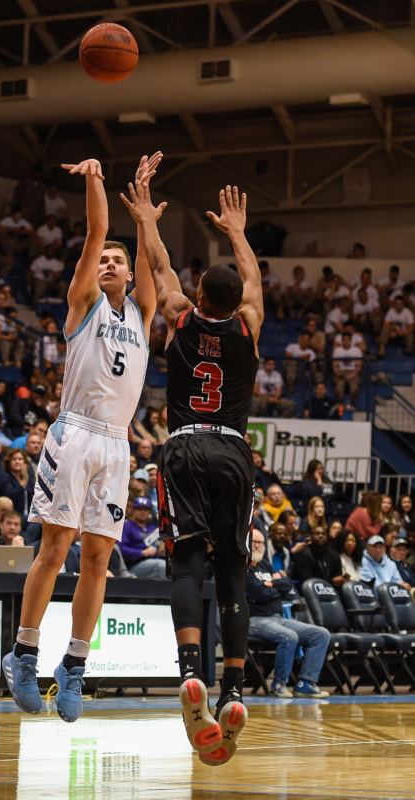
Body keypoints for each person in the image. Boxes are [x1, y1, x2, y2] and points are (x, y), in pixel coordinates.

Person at [2, 154, 161, 724]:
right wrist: (97, 180)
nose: (112, 263)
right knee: (56, 548)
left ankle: (74, 664)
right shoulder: (83, 304)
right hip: (75, 433)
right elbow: (97, 230)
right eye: (106, 261)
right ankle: (23, 653)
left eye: (120, 261)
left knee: (98, 560)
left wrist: (143, 211)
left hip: (117, 444)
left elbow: (148, 262)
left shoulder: (142, 313)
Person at [122, 179, 263, 764]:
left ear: (198, 292)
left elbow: (157, 267)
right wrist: (238, 232)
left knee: (187, 562)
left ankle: (188, 673)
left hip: (182, 446)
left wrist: (150, 220)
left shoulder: (180, 315)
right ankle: (232, 687)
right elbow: (251, 281)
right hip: (233, 449)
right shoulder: (249, 323)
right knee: (232, 569)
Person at [246, 529, 330, 698]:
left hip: (277, 618)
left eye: (260, 542)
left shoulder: (265, 565)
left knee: (321, 634)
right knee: (289, 636)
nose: (257, 546)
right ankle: (279, 684)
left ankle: (305, 683)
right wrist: (274, 584)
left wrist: (271, 585)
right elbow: (258, 592)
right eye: (253, 542)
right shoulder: (242, 568)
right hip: (253, 620)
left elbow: (288, 587)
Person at [118, 496, 166, 578]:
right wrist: (142, 553)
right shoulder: (126, 526)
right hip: (133, 565)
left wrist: (163, 552)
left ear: (149, 512)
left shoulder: (152, 529)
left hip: (154, 561)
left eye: (145, 509)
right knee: (161, 565)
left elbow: (159, 546)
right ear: (133, 510)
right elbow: (120, 549)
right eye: (139, 509)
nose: (142, 512)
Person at [291, 525, 348, 590]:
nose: (320, 536)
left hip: (331, 592)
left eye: (323, 534)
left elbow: (338, 577)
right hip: (308, 593)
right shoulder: (303, 555)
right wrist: (332, 581)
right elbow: (307, 581)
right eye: (317, 534)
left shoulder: (334, 555)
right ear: (311, 536)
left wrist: (342, 580)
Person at [0, 449, 35, 518]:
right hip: (11, 516)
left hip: (28, 515)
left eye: (20, 459)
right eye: (14, 459)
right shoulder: (4, 477)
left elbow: (34, 497)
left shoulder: (27, 478)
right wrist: (24, 481)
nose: (17, 461)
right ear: (9, 462)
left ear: (25, 463)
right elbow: (11, 497)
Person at [332, 332, 363, 406]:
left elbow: (359, 366)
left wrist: (352, 375)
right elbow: (334, 366)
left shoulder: (357, 350)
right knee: (340, 383)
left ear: (351, 340)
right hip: (341, 371)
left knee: (354, 382)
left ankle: (353, 397)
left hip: (352, 371)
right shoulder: (337, 351)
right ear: (342, 341)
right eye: (344, 340)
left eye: (347, 339)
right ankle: (339, 397)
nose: (346, 341)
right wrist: (338, 374)